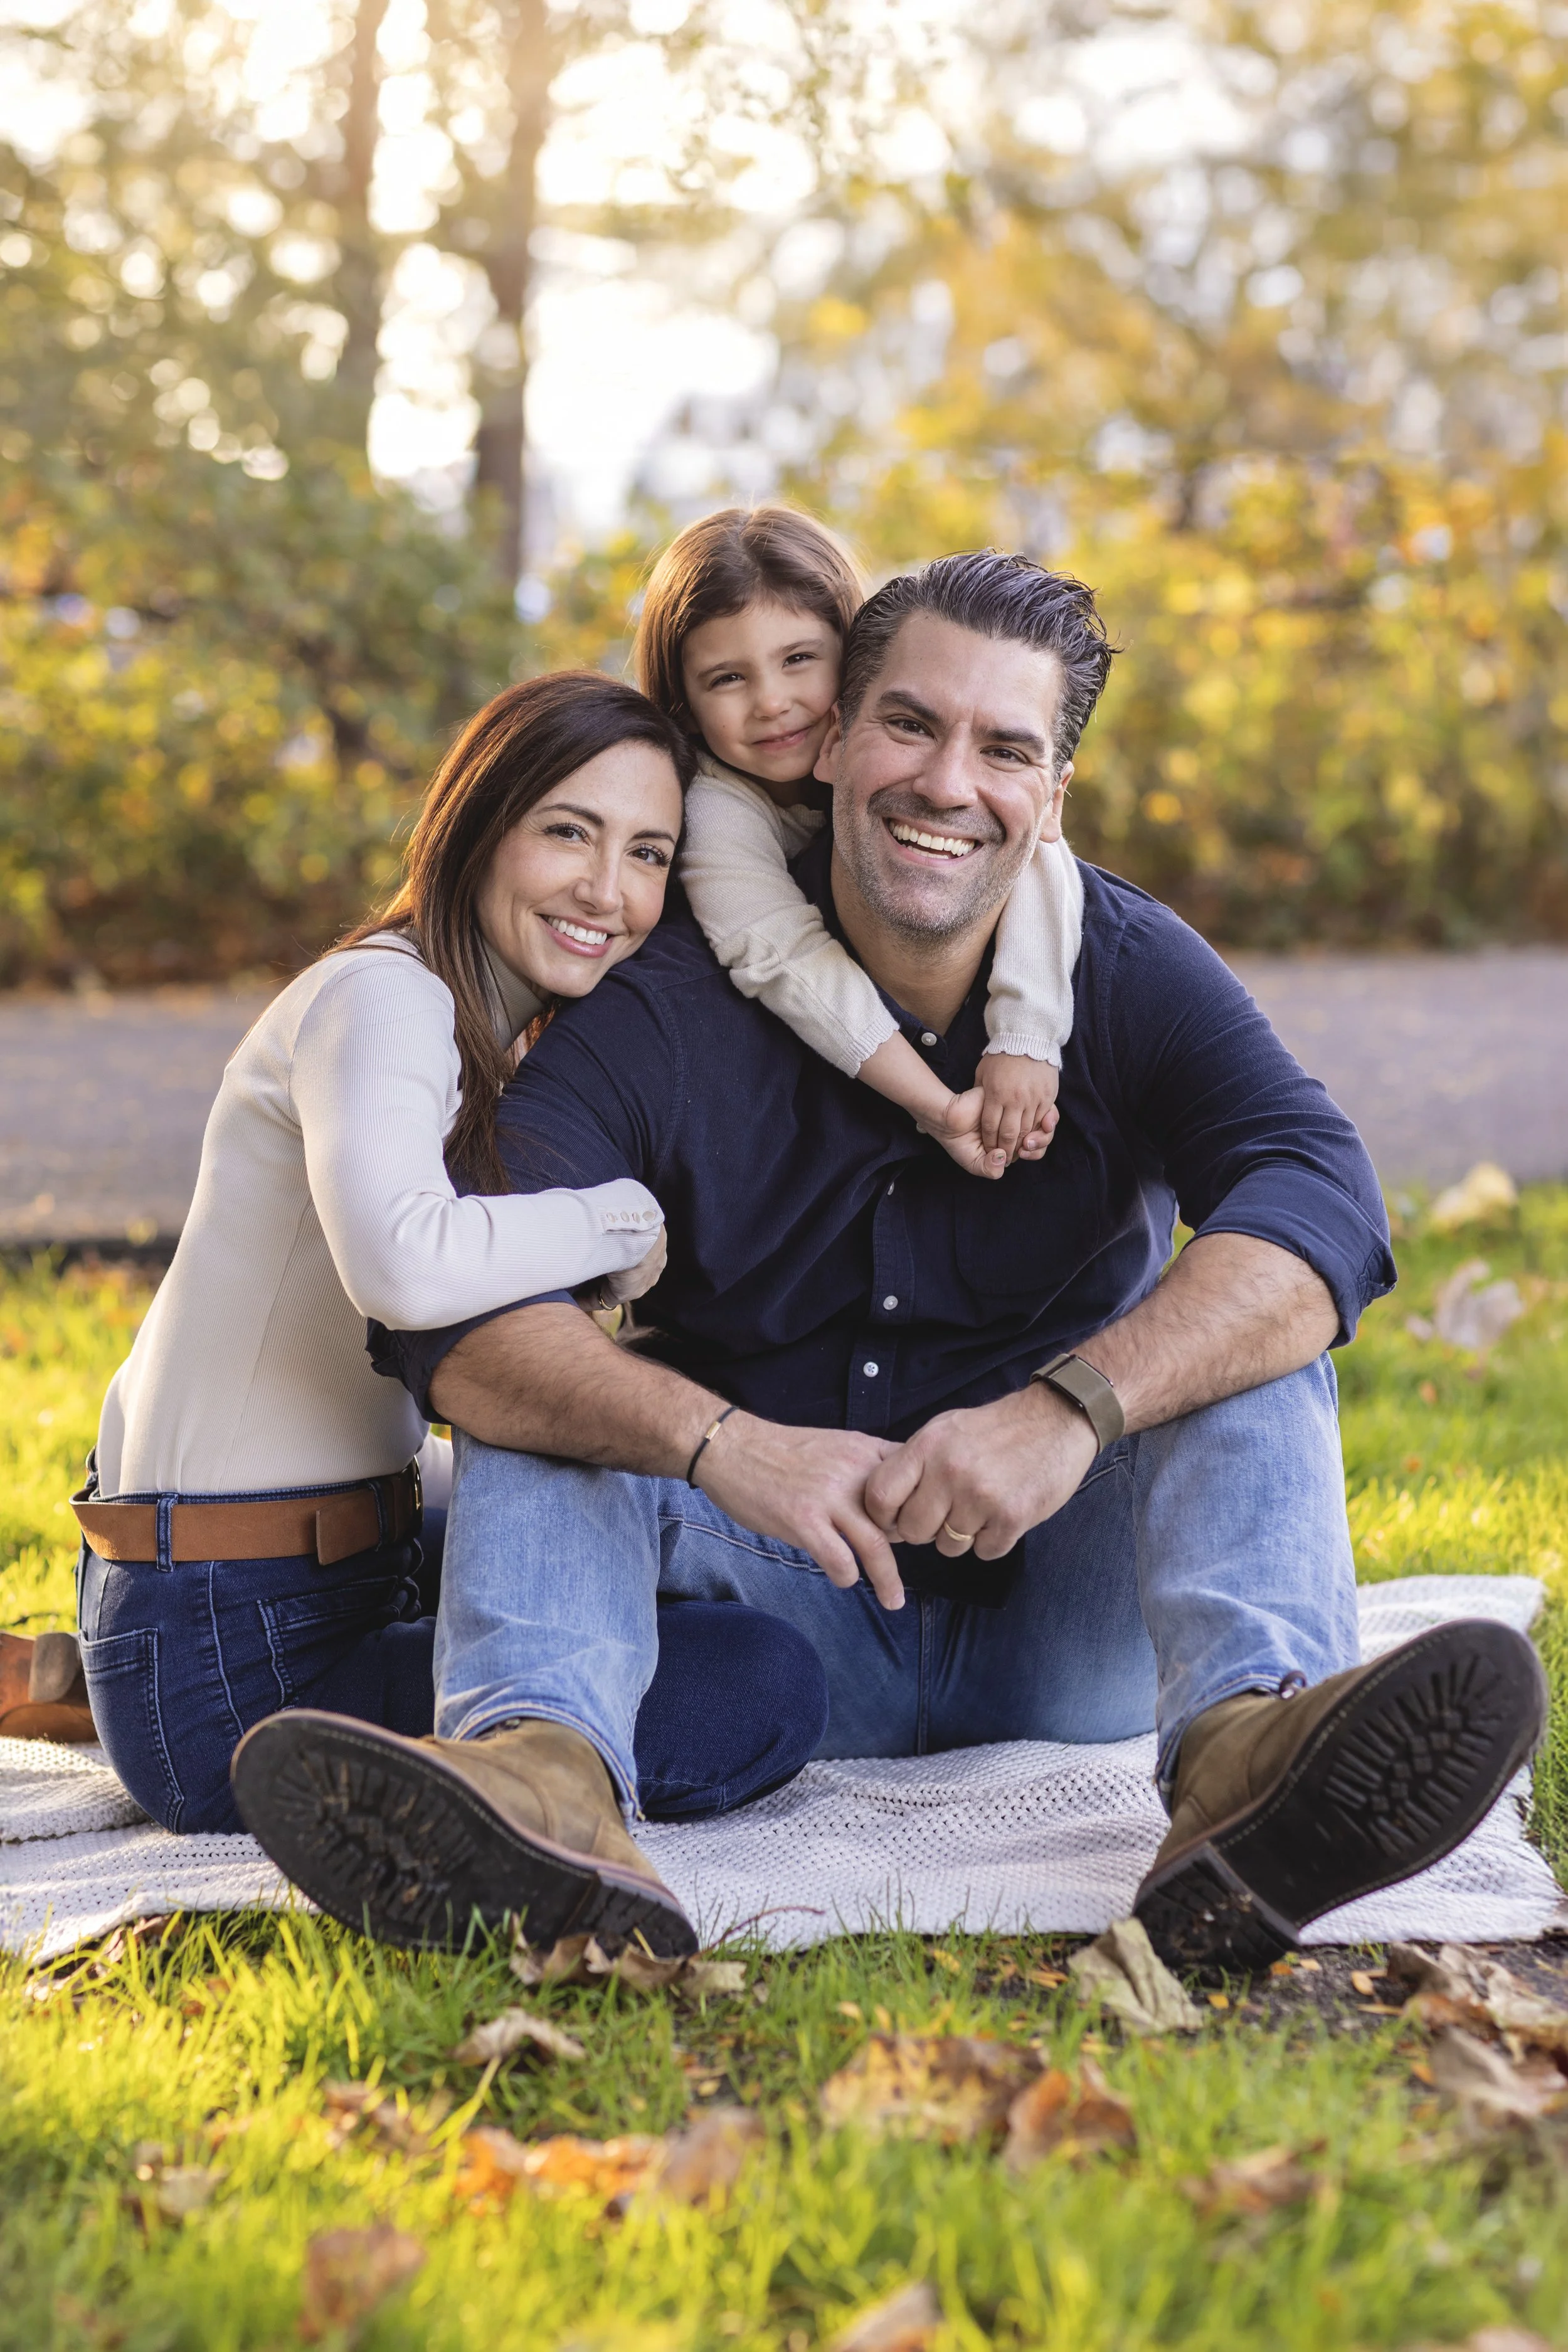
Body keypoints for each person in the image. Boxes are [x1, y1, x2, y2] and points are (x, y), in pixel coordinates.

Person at [235, 552, 1546, 1978]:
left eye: (1005, 748)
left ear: (1051, 795)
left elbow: (1321, 1194)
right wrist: (725, 1442)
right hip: (774, 1592)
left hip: (1074, 1624)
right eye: (911, 725)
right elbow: (474, 1328)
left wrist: (1068, 1411)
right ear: (835, 738)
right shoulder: (664, 995)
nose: (946, 782)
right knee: (549, 1397)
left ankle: (1249, 1759)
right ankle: (537, 1783)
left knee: (1250, 1315)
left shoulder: (1122, 961)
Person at [65, 672, 829, 1927]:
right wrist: (613, 1223)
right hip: (228, 1646)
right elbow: (403, 1266)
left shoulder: (471, 1025)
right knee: (759, 1681)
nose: (608, 891)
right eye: (567, 833)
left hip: (259, 1577)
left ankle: (120, 1677)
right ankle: (459, 1803)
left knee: (614, 1542)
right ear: (480, 823)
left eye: (647, 854)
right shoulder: (387, 1000)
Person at [642, 504, 1081, 1177]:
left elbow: (1041, 856)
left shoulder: (900, 756)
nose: (770, 701)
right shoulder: (711, 806)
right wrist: (935, 1105)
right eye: (727, 678)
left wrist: (1026, 1036)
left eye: (798, 660)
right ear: (685, 704)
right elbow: (780, 953)